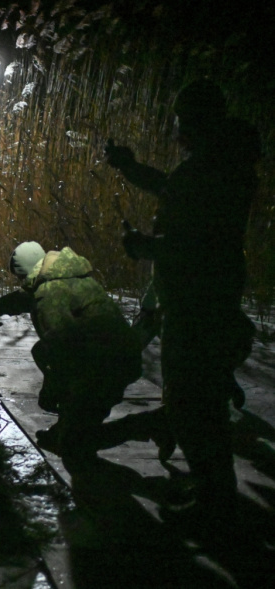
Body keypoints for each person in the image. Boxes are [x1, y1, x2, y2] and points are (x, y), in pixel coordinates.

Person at [103, 79, 259, 518]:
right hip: (208, 295)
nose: (175, 128)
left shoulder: (209, 170)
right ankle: (214, 487)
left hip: (197, 300)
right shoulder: (221, 166)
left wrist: (144, 246)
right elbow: (174, 192)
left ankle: (216, 500)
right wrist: (129, 167)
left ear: (194, 121)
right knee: (199, 395)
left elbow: (196, 243)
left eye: (180, 119)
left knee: (192, 402)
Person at [0, 242, 142, 470]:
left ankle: (149, 426)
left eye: (19, 277)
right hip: (120, 358)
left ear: (25, 273)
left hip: (105, 368)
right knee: (70, 432)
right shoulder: (69, 278)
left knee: (75, 447)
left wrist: (50, 392)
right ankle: (70, 424)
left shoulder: (48, 295)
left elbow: (62, 350)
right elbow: (21, 299)